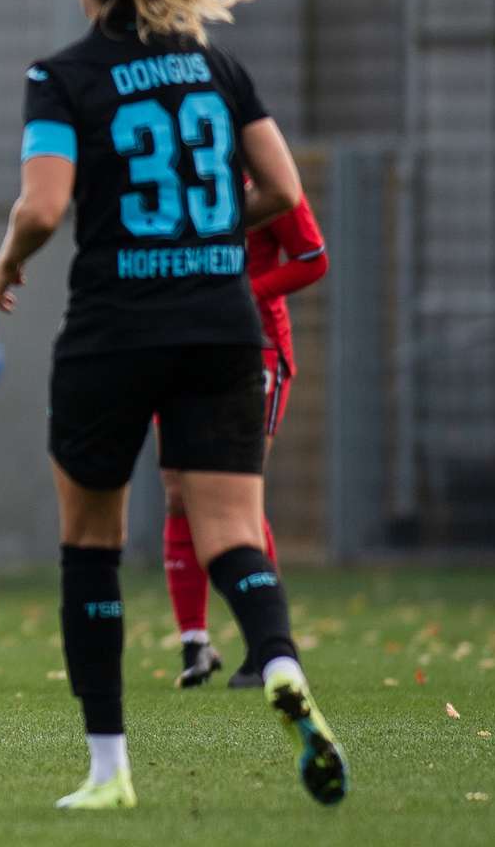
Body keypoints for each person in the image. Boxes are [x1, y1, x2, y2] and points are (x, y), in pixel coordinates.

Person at [0, 0, 348, 810]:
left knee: (91, 546)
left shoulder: (60, 77)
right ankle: (274, 661)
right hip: (225, 328)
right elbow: (281, 187)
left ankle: (109, 771)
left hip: (115, 333)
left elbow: (43, 206)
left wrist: (10, 256)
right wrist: (214, 231)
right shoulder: (219, 71)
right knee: (230, 532)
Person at [168, 195, 329, 688]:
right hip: (187, 346)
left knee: (237, 497)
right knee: (178, 491)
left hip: (254, 347)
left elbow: (312, 258)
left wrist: (243, 292)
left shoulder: (265, 175)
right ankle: (194, 642)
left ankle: (268, 648)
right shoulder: (181, 166)